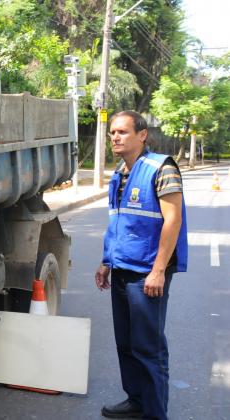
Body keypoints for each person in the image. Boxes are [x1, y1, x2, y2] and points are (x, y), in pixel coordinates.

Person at [95, 111, 188, 420]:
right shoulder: (119, 173)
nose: (115, 137)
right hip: (121, 267)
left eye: (122, 132)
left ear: (142, 134)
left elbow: (172, 221)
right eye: (112, 133)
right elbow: (119, 223)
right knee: (126, 343)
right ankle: (136, 401)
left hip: (147, 272)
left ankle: (155, 413)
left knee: (148, 347)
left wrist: (159, 269)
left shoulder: (162, 168)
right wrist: (106, 261)